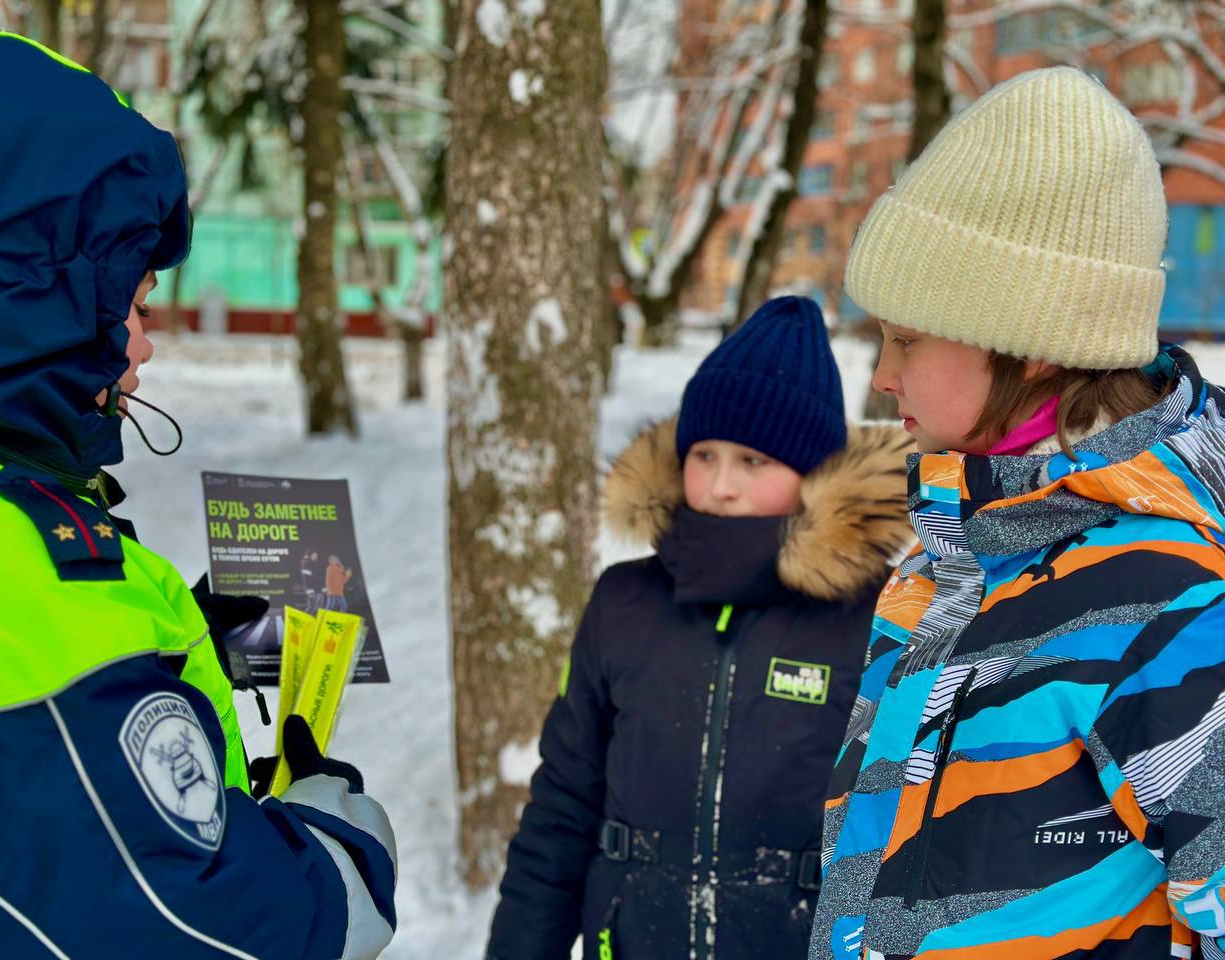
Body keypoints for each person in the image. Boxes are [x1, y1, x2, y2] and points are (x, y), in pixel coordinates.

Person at [0, 34, 395, 958]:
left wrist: (164, 654)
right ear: (39, 293)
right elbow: (214, 928)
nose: (145, 346)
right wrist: (340, 845)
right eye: (136, 303)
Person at [813, 66, 1225, 960]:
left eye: (909, 339)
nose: (884, 375)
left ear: (1032, 348)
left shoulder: (1168, 606)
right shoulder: (958, 553)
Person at [485, 297, 916, 960]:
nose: (719, 486)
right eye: (705, 455)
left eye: (753, 462)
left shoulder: (871, 617)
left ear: (813, 477)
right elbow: (563, 806)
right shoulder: (624, 603)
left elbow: (901, 836)